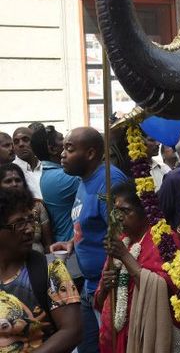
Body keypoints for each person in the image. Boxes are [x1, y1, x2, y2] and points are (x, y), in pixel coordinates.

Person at [49, 127, 128, 353]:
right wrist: (72, 242)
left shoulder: (108, 182)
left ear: (91, 153)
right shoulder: (84, 181)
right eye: (63, 147)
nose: (62, 154)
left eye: (69, 148)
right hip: (88, 286)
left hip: (108, 289)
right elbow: (90, 223)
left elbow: (123, 235)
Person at [95, 182, 180, 352]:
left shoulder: (164, 240)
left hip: (146, 335)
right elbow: (99, 301)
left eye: (125, 211)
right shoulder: (120, 241)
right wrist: (105, 288)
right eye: (115, 212)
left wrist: (126, 257)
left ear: (145, 211)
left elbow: (169, 290)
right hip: (116, 335)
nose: (118, 217)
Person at [0, 188, 81, 352]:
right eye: (19, 224)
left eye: (31, 220)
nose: (30, 229)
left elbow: (73, 331)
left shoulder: (51, 270)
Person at [31, 125, 80, 243]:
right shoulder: (62, 177)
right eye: (62, 139)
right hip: (70, 242)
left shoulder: (50, 173)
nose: (68, 142)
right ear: (52, 148)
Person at [0, 163, 52, 254]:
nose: (14, 184)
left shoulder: (37, 205)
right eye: (8, 181)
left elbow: (48, 244)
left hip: (37, 260)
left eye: (18, 180)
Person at [12, 127, 43, 199]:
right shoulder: (12, 172)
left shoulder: (45, 167)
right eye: (16, 142)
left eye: (25, 140)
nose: (21, 144)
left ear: (34, 142)